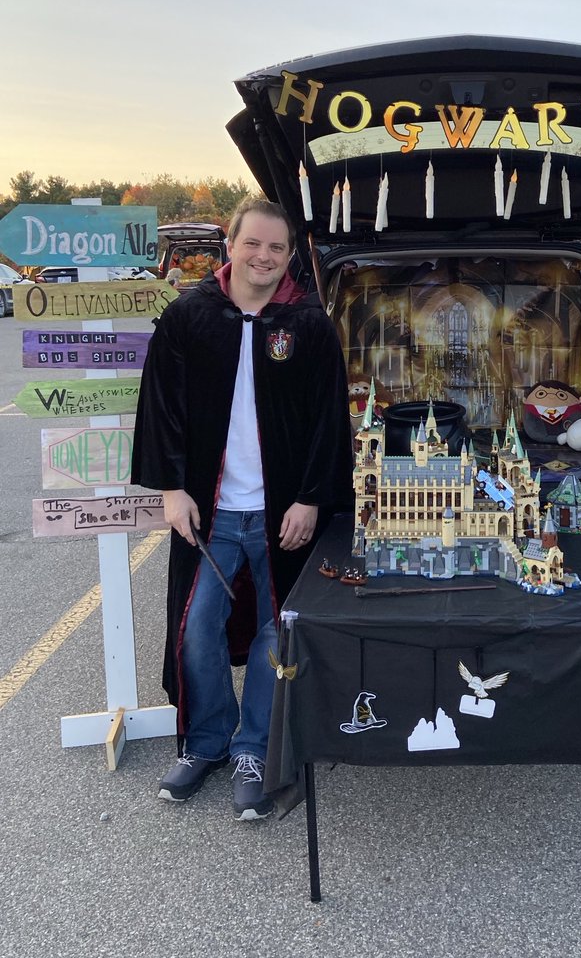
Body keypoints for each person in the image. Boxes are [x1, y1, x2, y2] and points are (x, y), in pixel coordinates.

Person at [132, 197, 352, 820]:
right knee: (196, 628)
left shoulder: (307, 324)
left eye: (276, 248)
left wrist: (310, 496)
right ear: (230, 244)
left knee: (271, 633)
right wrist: (172, 488)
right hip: (210, 511)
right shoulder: (191, 318)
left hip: (282, 512)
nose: (263, 256)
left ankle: (255, 747)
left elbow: (327, 421)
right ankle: (206, 741)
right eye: (253, 243)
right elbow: (162, 408)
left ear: (289, 257)